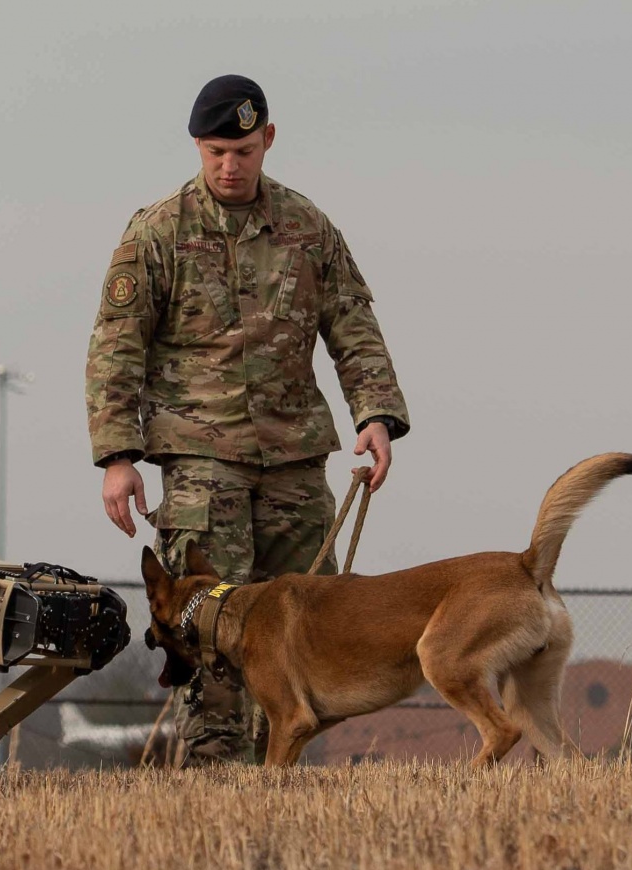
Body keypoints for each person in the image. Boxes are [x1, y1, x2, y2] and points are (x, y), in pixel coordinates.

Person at [85, 75, 410, 767]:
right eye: (214, 152)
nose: (229, 166)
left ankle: (280, 776)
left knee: (310, 629)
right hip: (203, 465)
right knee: (207, 628)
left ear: (267, 140)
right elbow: (116, 345)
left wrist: (376, 414)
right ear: (197, 148)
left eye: (241, 150)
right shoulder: (158, 232)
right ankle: (211, 777)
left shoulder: (307, 227)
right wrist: (118, 456)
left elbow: (352, 322)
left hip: (295, 462)